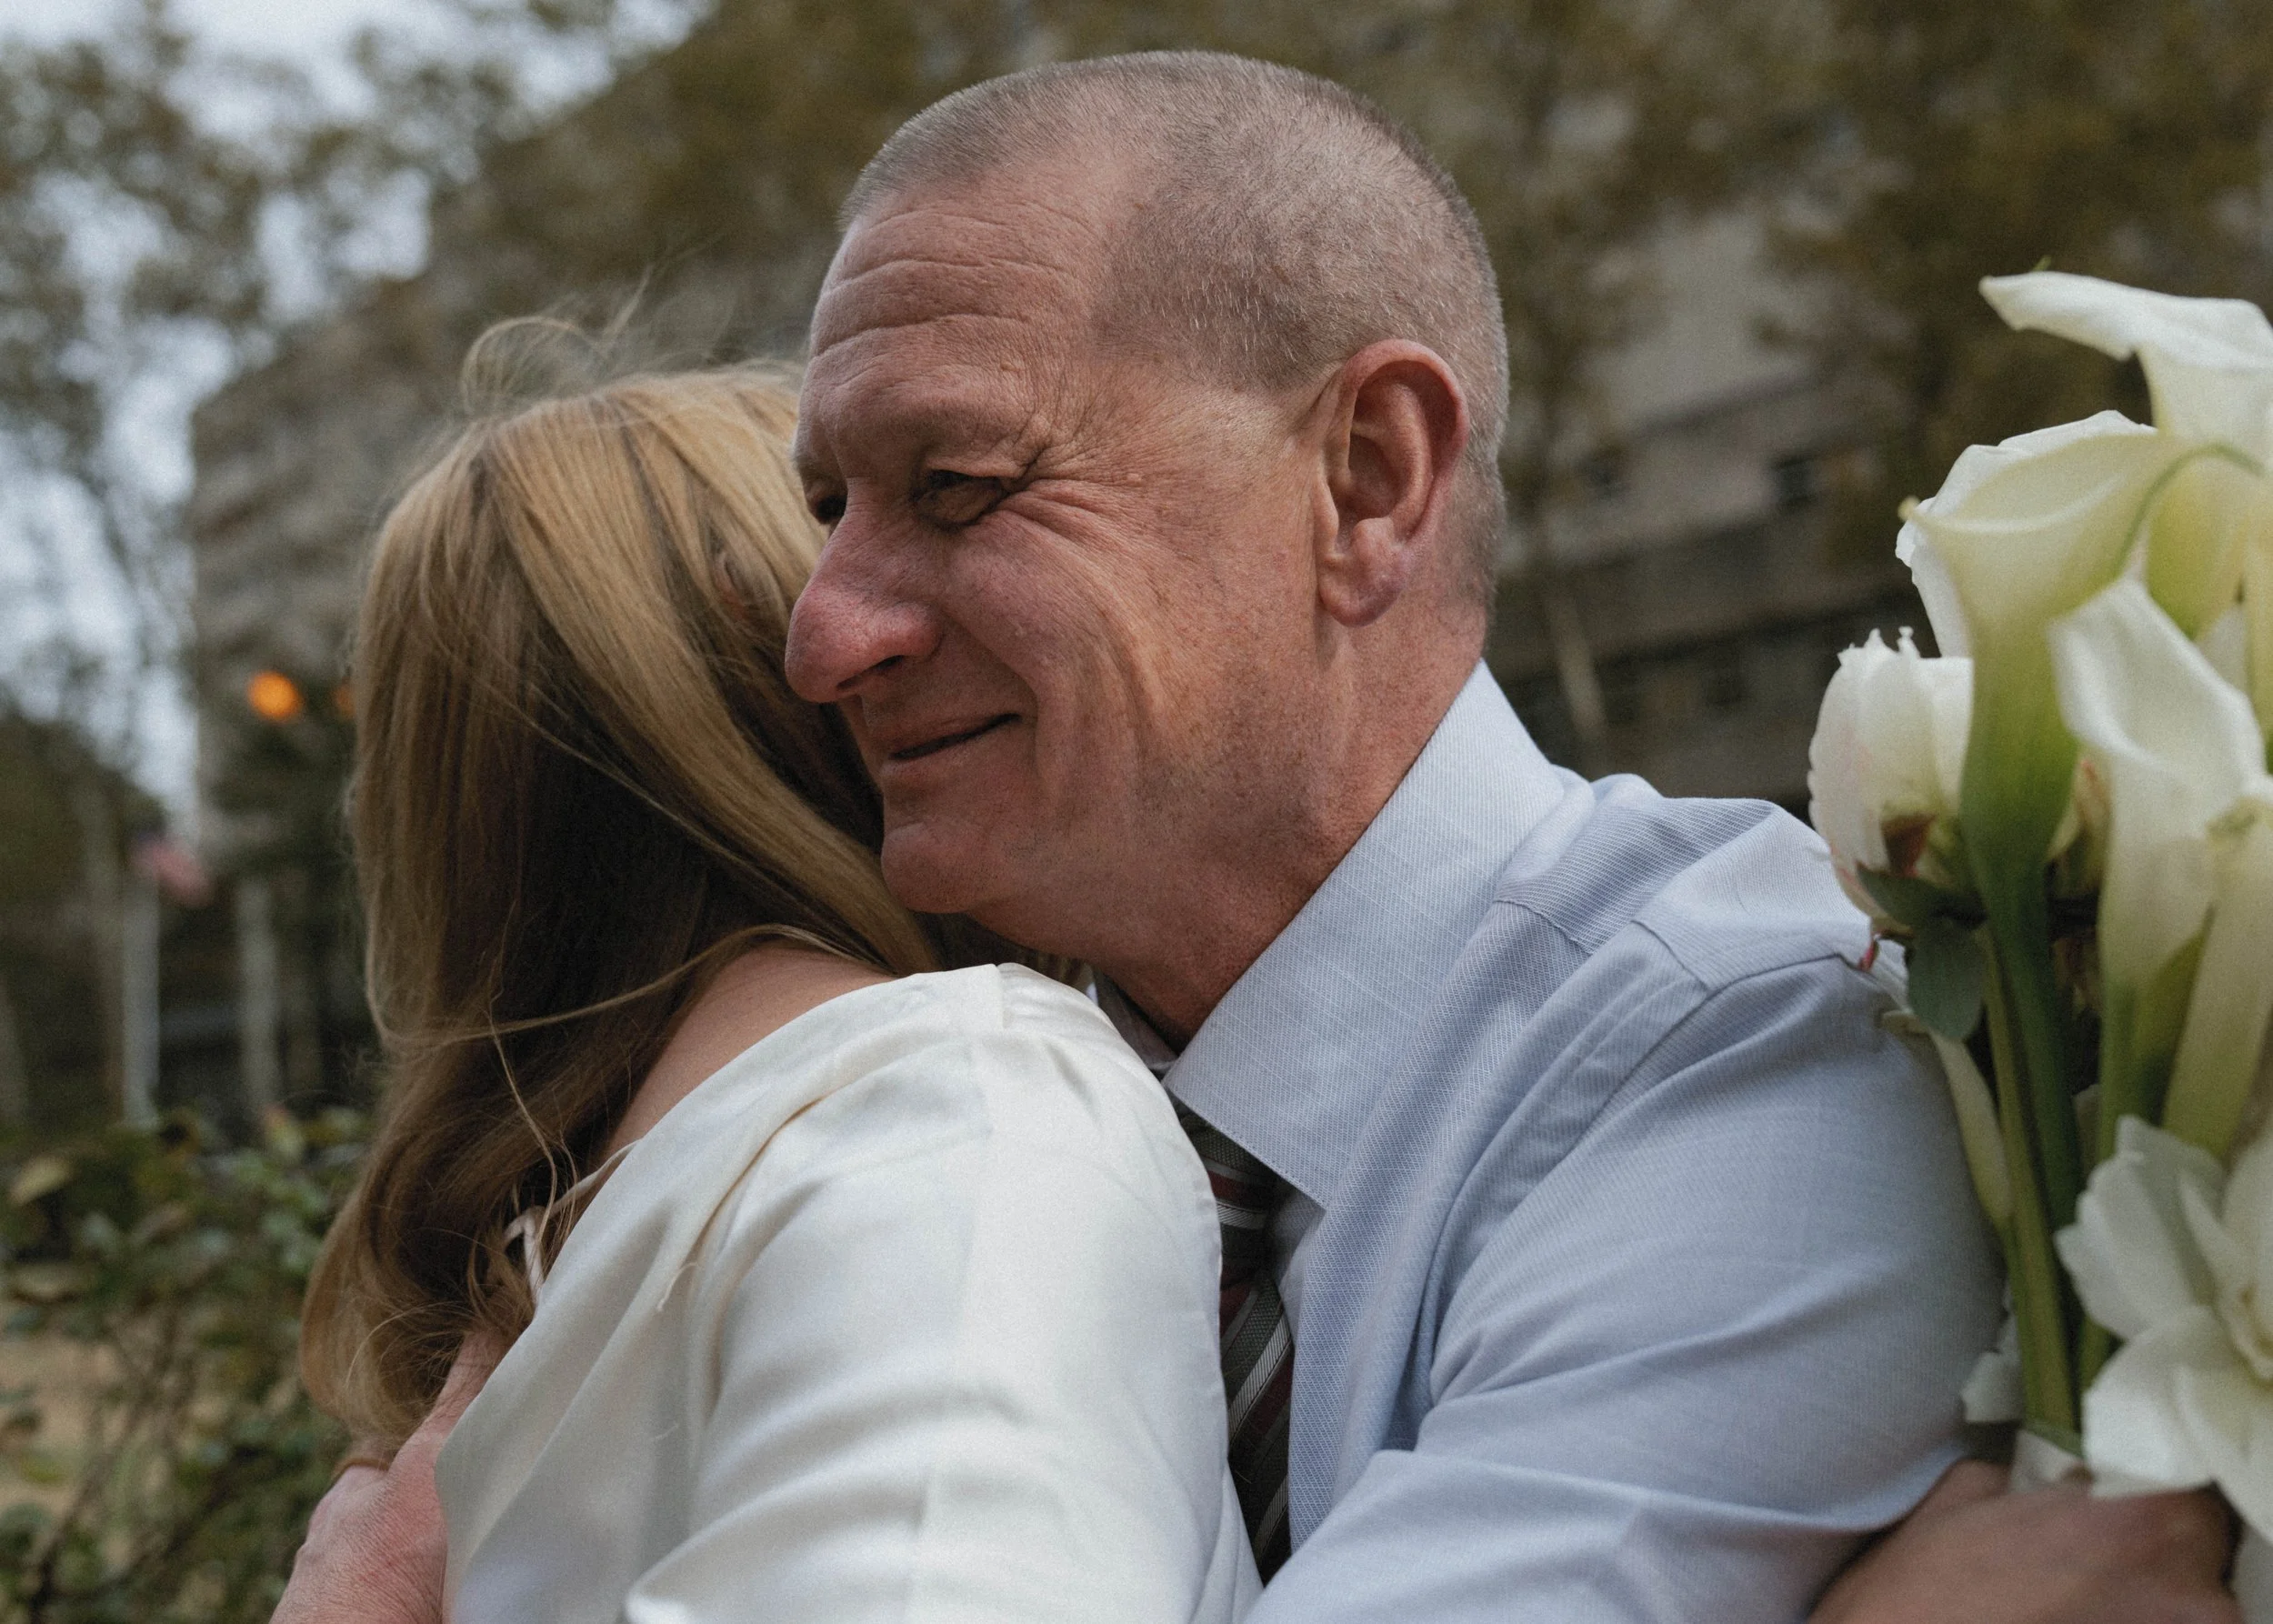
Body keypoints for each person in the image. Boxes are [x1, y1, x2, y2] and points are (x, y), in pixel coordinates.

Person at [280, 52, 2239, 1624]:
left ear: (1365, 479)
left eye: (953, 489)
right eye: (829, 515)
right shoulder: (970, 1087)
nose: (825, 631)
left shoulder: (1739, 1054)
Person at [275, 348, 1256, 1622]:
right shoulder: (962, 1117)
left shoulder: (550, 1271)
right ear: (817, 682)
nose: (876, 617)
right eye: (842, 534)